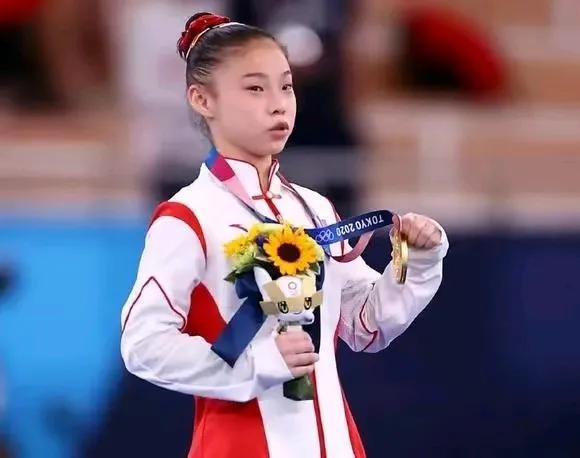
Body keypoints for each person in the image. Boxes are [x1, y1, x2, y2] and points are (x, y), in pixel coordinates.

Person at [120, 12, 449, 458]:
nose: (279, 105)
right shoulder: (187, 217)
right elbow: (143, 345)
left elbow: (365, 325)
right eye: (255, 89)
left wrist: (417, 260)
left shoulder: (314, 208)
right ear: (202, 99)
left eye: (286, 86)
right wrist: (251, 365)